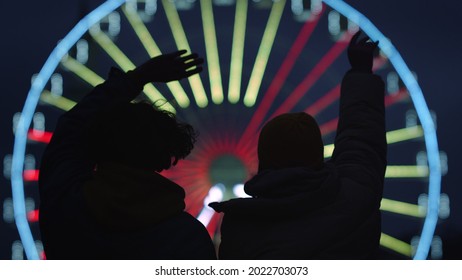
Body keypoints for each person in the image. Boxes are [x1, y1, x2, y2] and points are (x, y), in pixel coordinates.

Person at [210, 31, 386, 259]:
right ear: (317, 153)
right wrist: (361, 73)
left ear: (264, 158)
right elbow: (362, 138)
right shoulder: (356, 196)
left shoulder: (243, 224)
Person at [39, 50, 216, 259]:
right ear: (163, 158)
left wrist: (139, 76)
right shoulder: (186, 237)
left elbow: (70, 130)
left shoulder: (66, 206)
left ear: (98, 145)